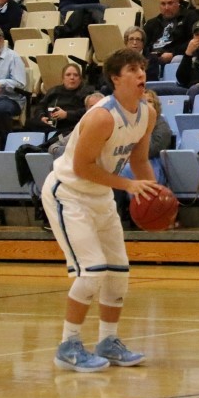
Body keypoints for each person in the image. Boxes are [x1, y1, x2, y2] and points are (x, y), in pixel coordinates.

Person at [43, 48, 159, 373]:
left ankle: (108, 341)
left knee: (118, 271)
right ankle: (68, 346)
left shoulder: (147, 113)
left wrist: (152, 194)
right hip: (69, 193)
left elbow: (139, 159)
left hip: (100, 195)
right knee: (92, 271)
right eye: (132, 70)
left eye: (142, 68)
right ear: (115, 78)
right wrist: (128, 185)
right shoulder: (102, 117)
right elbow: (82, 167)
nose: (141, 74)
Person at [142, 0, 199, 80]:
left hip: (177, 56)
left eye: (170, 3)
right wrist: (151, 55)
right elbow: (143, 45)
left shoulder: (190, 17)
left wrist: (173, 53)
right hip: (154, 58)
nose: (166, 7)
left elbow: (195, 40)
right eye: (163, 4)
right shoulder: (151, 23)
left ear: (177, 2)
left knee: (177, 59)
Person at [28, 63, 94, 136]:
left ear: (80, 79)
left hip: (71, 126)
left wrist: (66, 114)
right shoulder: (54, 91)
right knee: (29, 123)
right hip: (50, 124)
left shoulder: (86, 92)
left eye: (75, 75)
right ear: (63, 78)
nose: (72, 78)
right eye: (68, 75)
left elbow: (90, 110)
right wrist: (42, 117)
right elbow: (40, 106)